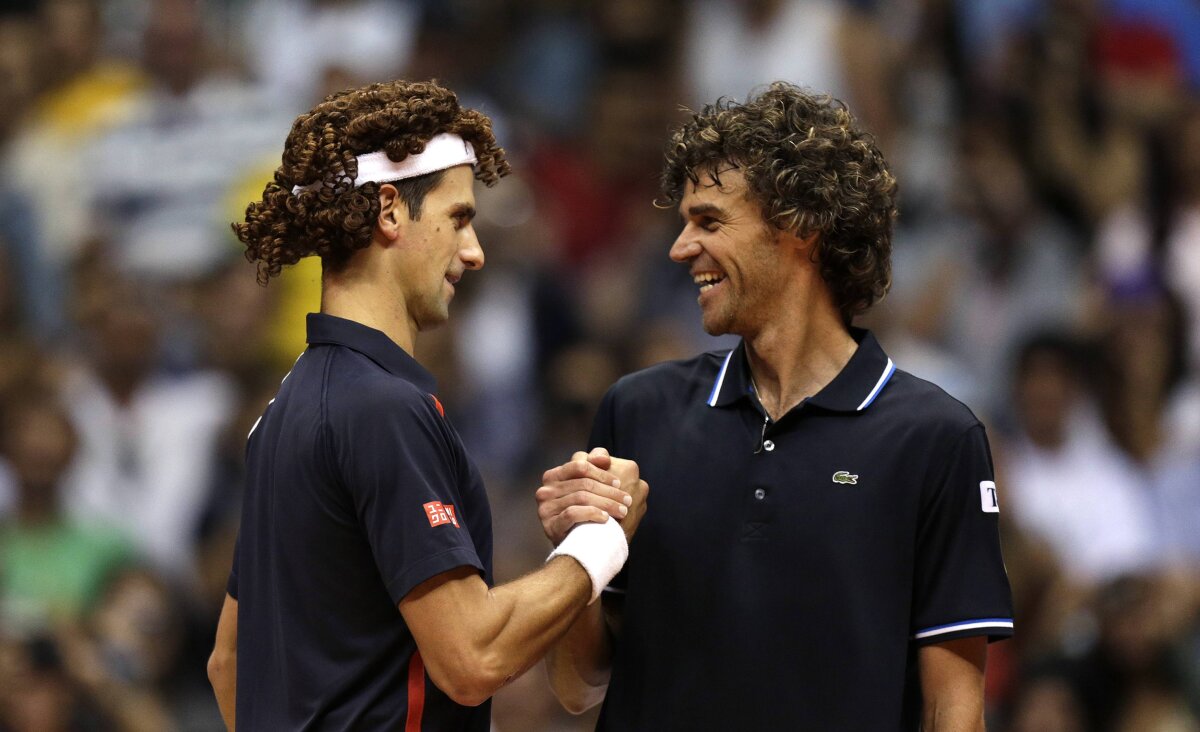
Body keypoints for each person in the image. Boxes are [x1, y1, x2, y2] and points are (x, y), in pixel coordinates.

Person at [537, 83, 1014, 730]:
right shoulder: (637, 411)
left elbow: (951, 709)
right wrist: (575, 553)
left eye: (708, 221)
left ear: (800, 227)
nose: (680, 248)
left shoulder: (935, 439)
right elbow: (578, 685)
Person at [206, 79, 648, 731]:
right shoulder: (381, 408)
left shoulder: (283, 408)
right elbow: (472, 655)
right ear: (390, 211)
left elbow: (229, 660)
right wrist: (599, 539)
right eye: (460, 219)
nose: (473, 252)